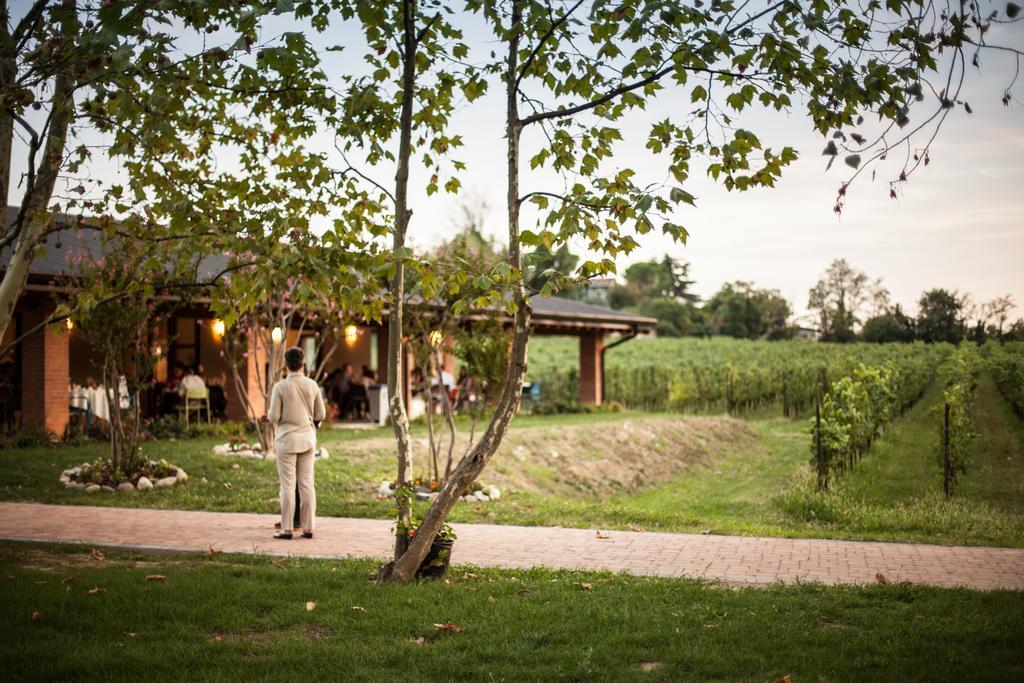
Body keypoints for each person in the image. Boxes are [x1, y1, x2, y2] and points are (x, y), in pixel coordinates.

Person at [265, 346, 325, 540]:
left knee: (288, 485)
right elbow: (321, 414)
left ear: (285, 365)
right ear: (303, 363)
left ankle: (287, 529)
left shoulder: (280, 387)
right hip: (307, 438)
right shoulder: (312, 385)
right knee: (307, 484)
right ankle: (309, 528)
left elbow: (274, 415)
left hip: (286, 440)